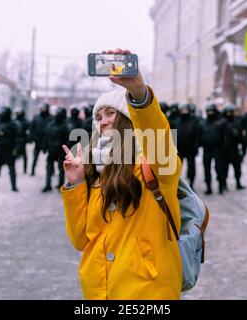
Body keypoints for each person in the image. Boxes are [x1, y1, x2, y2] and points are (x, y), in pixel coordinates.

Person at [61, 49, 182, 300]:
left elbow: (155, 132)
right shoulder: (97, 172)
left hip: (147, 290)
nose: (102, 121)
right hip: (99, 290)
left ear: (127, 119)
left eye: (110, 113)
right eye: (98, 116)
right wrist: (76, 184)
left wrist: (138, 94)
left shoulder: (155, 164)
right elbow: (81, 239)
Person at [42, 108, 69, 192]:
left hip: (60, 151)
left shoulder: (65, 127)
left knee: (61, 169)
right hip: (51, 150)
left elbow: (68, 140)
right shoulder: (50, 125)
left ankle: (60, 186)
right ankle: (48, 185)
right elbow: (46, 137)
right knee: (49, 168)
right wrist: (44, 146)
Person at [201, 104, 225, 195]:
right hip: (207, 148)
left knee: (219, 168)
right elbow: (199, 135)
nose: (210, 113)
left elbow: (224, 136)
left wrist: (223, 146)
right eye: (208, 111)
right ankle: (208, 187)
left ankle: (221, 185)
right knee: (207, 169)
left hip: (217, 148)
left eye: (212, 111)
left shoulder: (220, 122)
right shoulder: (203, 123)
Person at [177, 103, 201, 189]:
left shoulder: (194, 120)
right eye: (183, 110)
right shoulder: (178, 121)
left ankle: (191, 183)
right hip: (180, 149)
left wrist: (196, 146)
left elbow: (197, 134)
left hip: (191, 149)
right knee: (178, 168)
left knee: (191, 168)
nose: (184, 111)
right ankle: (177, 184)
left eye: (186, 110)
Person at [221, 104, 245, 190]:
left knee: (237, 168)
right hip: (225, 149)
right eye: (228, 112)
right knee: (225, 168)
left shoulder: (237, 122)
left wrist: (242, 146)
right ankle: (224, 184)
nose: (230, 113)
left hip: (234, 148)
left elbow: (241, 136)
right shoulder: (222, 123)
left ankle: (238, 182)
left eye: (231, 112)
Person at [30, 103, 52, 176]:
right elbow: (32, 128)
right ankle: (32, 170)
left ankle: (51, 171)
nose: (42, 110)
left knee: (51, 157)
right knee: (35, 156)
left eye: (44, 108)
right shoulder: (36, 117)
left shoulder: (51, 118)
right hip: (38, 139)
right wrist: (32, 137)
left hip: (48, 140)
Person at [15, 108, 30, 174]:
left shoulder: (25, 121)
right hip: (15, 140)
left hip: (22, 140)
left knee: (24, 155)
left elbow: (28, 131)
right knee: (14, 155)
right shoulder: (15, 121)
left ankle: (24, 169)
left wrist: (27, 139)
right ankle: (13, 169)